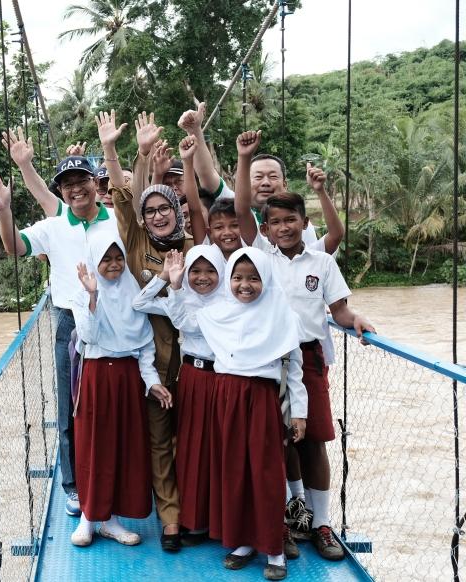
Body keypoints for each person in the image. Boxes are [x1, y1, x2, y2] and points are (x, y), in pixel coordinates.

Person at [233, 130, 376, 562]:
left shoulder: (322, 261)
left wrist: (357, 320)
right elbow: (241, 210)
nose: (283, 228)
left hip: (309, 357)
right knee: (272, 442)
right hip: (267, 359)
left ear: (302, 221)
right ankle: (286, 519)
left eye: (290, 220)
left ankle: (322, 524)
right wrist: (244, 159)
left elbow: (341, 310)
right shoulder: (260, 255)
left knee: (312, 441)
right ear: (267, 229)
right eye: (274, 222)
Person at [0, 151, 118, 519]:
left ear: (94, 183)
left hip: (116, 323)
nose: (76, 190)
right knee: (69, 408)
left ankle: (111, 482)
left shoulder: (117, 222)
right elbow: (14, 246)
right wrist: (4, 210)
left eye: (81, 182)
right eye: (67, 185)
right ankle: (73, 486)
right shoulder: (54, 227)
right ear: (62, 191)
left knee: (113, 403)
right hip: (70, 323)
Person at [98, 109, 192, 551]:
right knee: (158, 442)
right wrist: (125, 151)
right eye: (150, 210)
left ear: (176, 210)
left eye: (163, 208)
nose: (156, 216)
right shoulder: (136, 244)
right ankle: (171, 519)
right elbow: (124, 196)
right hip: (150, 361)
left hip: (194, 361)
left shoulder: (196, 250)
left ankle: (196, 512)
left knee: (192, 440)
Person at [197, 247, 309, 581]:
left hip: (262, 398)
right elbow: (178, 314)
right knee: (233, 469)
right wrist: (173, 286)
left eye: (254, 278)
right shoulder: (218, 313)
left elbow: (295, 371)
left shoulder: (283, 316)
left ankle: (274, 548)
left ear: (266, 279)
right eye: (238, 278)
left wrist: (299, 414)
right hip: (227, 396)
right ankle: (242, 541)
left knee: (265, 472)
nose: (245, 285)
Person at [70, 230, 173, 546]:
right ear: (94, 261)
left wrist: (152, 382)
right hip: (98, 376)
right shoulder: (83, 292)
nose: (113, 265)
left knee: (123, 446)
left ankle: (110, 520)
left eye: (118, 258)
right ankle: (89, 517)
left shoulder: (131, 291)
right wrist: (92, 296)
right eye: (106, 259)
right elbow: (89, 336)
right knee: (94, 446)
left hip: (128, 377)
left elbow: (143, 347)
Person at [133, 244, 226, 544]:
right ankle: (194, 519)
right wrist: (165, 279)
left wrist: (174, 291)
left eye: (210, 271)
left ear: (221, 272)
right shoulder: (180, 293)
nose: (202, 278)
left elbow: (191, 325)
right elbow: (139, 302)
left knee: (218, 448)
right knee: (191, 448)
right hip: (192, 377)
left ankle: (219, 520)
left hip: (222, 379)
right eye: (196, 271)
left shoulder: (229, 300)